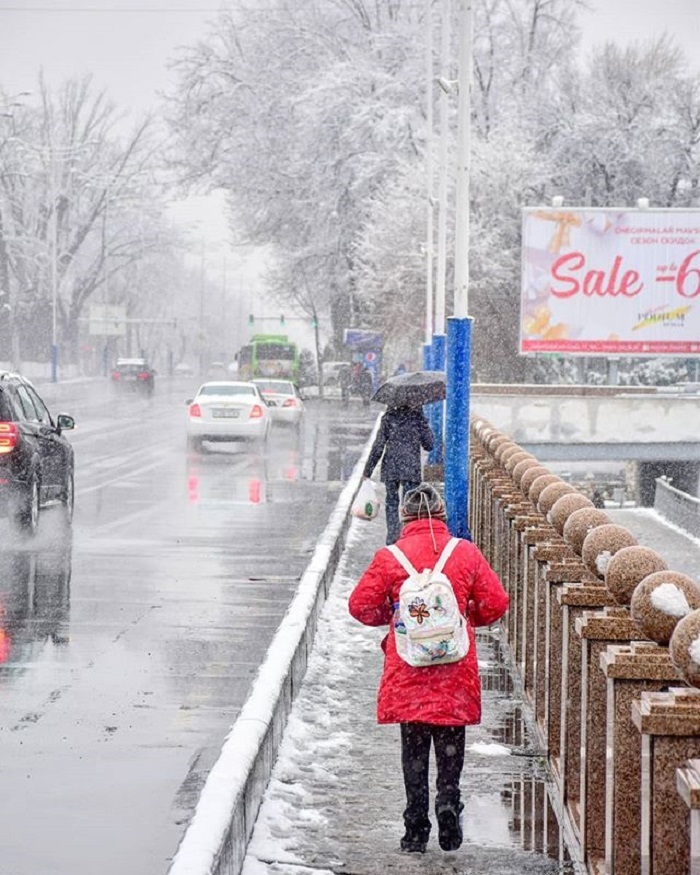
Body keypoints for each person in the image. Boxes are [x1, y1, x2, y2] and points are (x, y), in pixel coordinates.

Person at [348, 483, 509, 854]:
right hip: (454, 667)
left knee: (414, 747)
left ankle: (415, 826)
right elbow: (496, 602)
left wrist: (392, 619)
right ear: (441, 514)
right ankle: (449, 801)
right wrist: (467, 618)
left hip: (410, 667)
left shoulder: (391, 557)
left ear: (405, 516)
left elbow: (359, 606)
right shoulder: (464, 553)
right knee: (451, 741)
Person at [363, 404, 434, 544]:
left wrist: (368, 470)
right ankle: (408, 538)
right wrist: (424, 424)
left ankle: (392, 539)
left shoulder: (388, 418)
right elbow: (429, 445)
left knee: (391, 503)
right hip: (411, 468)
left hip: (391, 466)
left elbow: (378, 446)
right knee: (409, 505)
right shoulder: (418, 418)